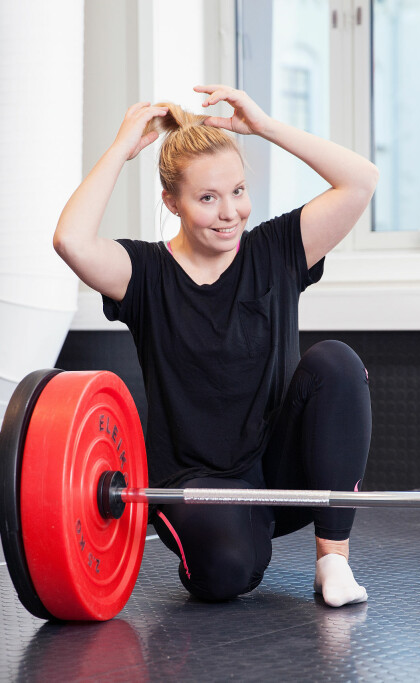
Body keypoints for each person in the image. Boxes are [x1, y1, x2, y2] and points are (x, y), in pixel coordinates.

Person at [53, 84, 378, 608]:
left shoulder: (275, 250)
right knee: (227, 576)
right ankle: (233, 533)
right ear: (172, 203)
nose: (230, 213)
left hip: (282, 475)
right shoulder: (145, 273)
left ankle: (332, 561)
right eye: (208, 198)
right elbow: (70, 240)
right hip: (198, 481)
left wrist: (266, 127)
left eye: (238, 191)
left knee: (336, 363)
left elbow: (362, 181)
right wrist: (119, 149)